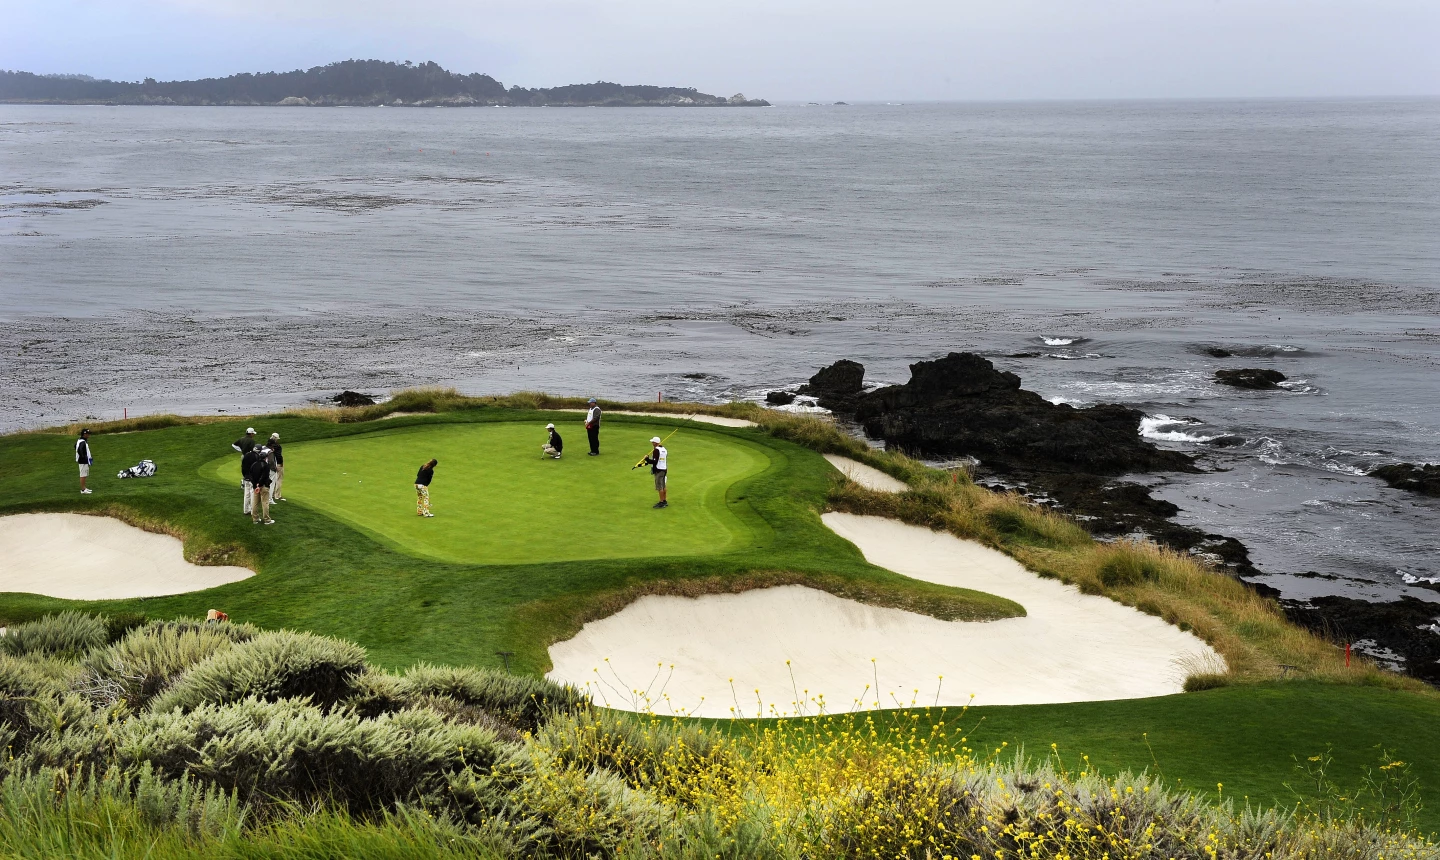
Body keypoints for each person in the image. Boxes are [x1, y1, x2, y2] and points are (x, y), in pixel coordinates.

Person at [247, 446, 275, 525]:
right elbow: (264, 476)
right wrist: (259, 485)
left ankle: (255, 519)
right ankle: (267, 520)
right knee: (265, 503)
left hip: (255, 487)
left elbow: (251, 476)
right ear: (265, 458)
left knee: (255, 503)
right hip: (263, 486)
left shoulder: (253, 464)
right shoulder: (265, 465)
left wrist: (255, 485)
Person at [234, 427, 257, 514]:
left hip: (243, 456)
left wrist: (241, 451)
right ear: (250, 434)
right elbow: (253, 450)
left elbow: (234, 445)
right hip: (249, 456)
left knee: (244, 468)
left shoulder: (242, 439)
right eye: (253, 433)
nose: (253, 435)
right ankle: (246, 481)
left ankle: (244, 482)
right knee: (250, 468)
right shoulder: (251, 441)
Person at [642, 436, 668, 508]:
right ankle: (665, 500)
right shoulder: (664, 449)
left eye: (653, 442)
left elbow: (654, 461)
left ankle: (661, 502)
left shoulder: (656, 450)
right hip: (664, 469)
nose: (652, 443)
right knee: (663, 485)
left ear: (655, 443)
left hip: (659, 470)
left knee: (660, 487)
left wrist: (647, 459)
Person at [239, 439, 262, 515]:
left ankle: (246, 510)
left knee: (246, 494)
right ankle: (253, 511)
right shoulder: (257, 457)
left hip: (246, 477)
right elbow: (256, 469)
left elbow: (243, 467)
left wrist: (245, 476)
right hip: (253, 479)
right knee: (253, 495)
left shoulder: (246, 455)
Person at [75, 429, 94, 494]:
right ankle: (83, 490)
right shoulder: (82, 441)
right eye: (88, 434)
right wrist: (83, 457)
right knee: (83, 475)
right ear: (84, 434)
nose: (89, 435)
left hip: (83, 460)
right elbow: (80, 450)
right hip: (83, 461)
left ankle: (84, 488)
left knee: (84, 474)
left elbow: (75, 446)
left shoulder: (80, 440)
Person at [268, 432, 285, 501]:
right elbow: (278, 456)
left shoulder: (268, 445)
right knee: (279, 479)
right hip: (277, 464)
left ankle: (271, 494)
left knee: (272, 479)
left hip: (269, 464)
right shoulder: (277, 446)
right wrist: (281, 463)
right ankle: (277, 495)